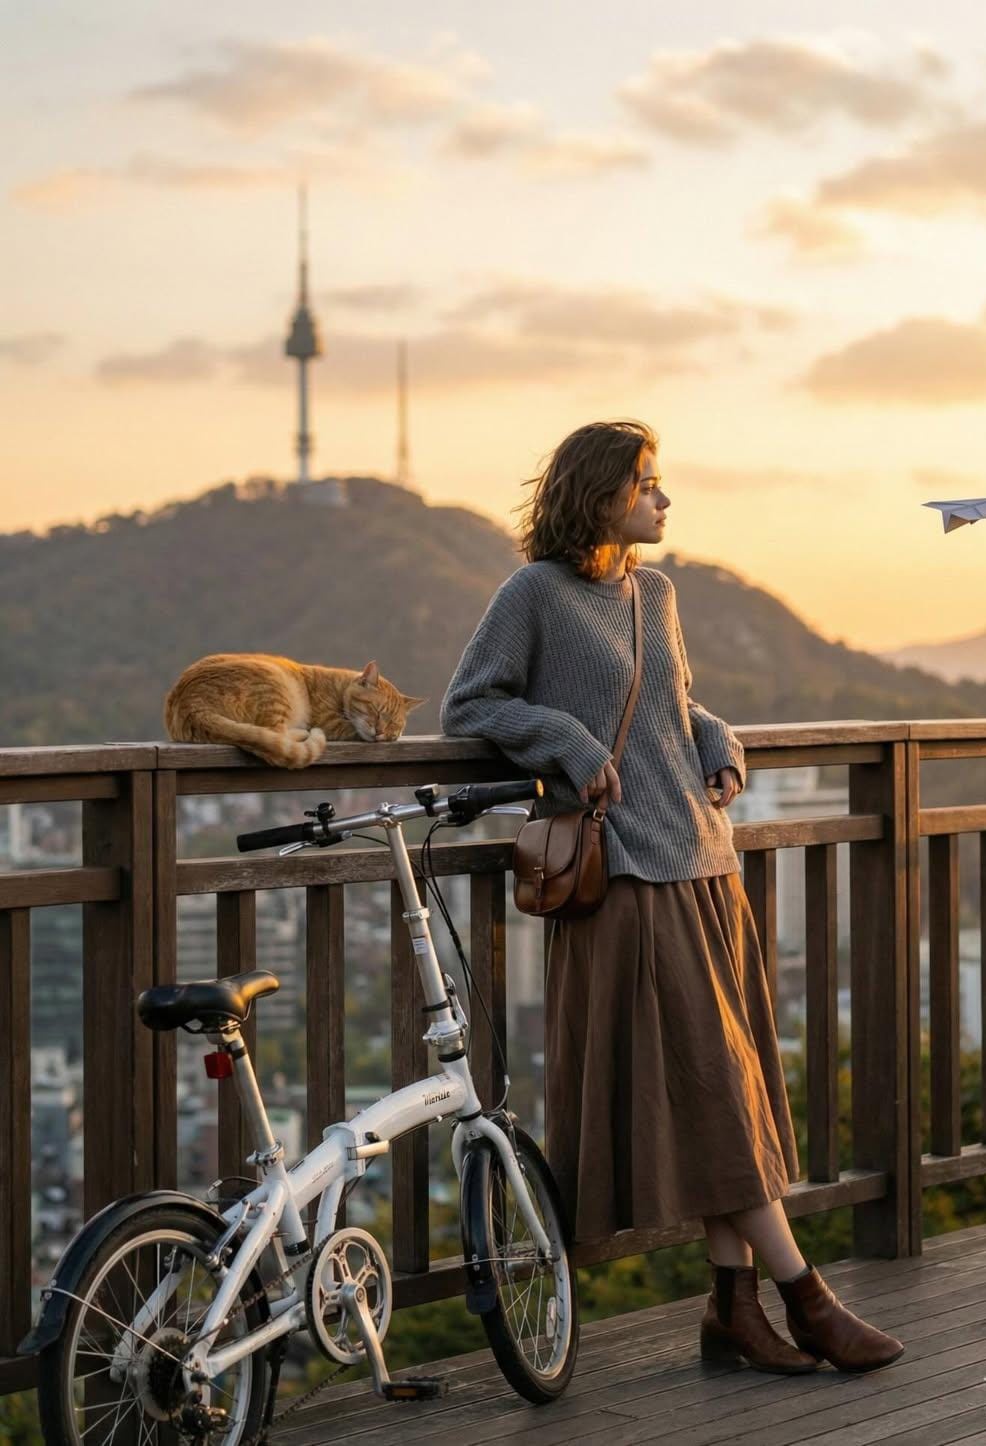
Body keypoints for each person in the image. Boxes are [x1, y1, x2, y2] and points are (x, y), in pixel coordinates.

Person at [439, 418, 904, 1376]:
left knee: (723, 1091)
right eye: (647, 482)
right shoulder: (534, 594)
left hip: (704, 860)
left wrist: (716, 741)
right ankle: (804, 1297)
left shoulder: (657, 592)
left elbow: (673, 700)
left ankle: (732, 1309)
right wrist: (567, 743)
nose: (664, 498)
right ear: (601, 493)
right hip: (629, 879)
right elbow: (470, 705)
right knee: (714, 1096)